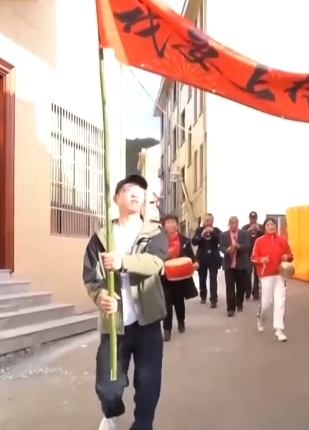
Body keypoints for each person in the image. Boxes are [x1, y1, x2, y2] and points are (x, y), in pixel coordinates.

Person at [82, 174, 168, 430]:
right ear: (116, 198)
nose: (134, 193)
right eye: (128, 189)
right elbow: (91, 276)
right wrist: (101, 297)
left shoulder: (154, 233)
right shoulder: (101, 237)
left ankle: (143, 424)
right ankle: (111, 414)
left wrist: (123, 262)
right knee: (108, 386)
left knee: (148, 383)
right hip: (114, 325)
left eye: (140, 190)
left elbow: (155, 262)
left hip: (148, 323)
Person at [251, 217, 293, 342]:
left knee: (280, 302)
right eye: (268, 224)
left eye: (272, 224)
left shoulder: (282, 240)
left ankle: (278, 330)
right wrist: (261, 260)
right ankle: (260, 317)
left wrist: (287, 257)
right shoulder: (259, 241)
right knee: (266, 304)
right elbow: (253, 257)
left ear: (276, 226)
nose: (270, 226)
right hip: (266, 275)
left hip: (280, 274)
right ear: (265, 227)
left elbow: (291, 255)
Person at [160, 213, 198, 341]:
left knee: (179, 301)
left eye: (173, 222)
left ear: (177, 224)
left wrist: (195, 263)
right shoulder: (160, 241)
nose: (171, 225)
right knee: (167, 302)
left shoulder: (185, 240)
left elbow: (191, 256)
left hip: (180, 276)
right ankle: (167, 329)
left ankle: (181, 321)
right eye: (168, 222)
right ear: (164, 225)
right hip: (165, 276)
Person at [219, 216, 252, 317]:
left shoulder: (244, 234)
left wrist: (238, 246)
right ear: (229, 224)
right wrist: (227, 250)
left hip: (241, 264)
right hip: (229, 265)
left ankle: (239, 303)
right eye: (232, 223)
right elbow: (221, 247)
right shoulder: (223, 235)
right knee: (230, 288)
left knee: (241, 286)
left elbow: (247, 246)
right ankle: (230, 308)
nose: (234, 225)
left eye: (236, 223)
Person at [191, 213, 222, 307]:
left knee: (213, 279)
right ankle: (203, 295)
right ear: (203, 221)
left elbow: (221, 240)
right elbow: (194, 242)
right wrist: (202, 235)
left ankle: (213, 299)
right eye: (207, 220)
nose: (209, 222)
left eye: (211, 220)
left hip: (213, 257)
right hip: (202, 257)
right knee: (202, 278)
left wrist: (213, 233)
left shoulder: (216, 230)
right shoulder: (199, 230)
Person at [243, 211, 265, 301]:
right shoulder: (245, 227)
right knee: (247, 273)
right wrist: (248, 230)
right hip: (247, 253)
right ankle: (247, 291)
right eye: (252, 218)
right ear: (249, 218)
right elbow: (241, 236)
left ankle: (255, 292)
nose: (253, 220)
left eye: (254, 218)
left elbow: (265, 235)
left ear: (256, 218)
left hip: (257, 253)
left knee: (257, 273)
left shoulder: (260, 227)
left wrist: (258, 230)